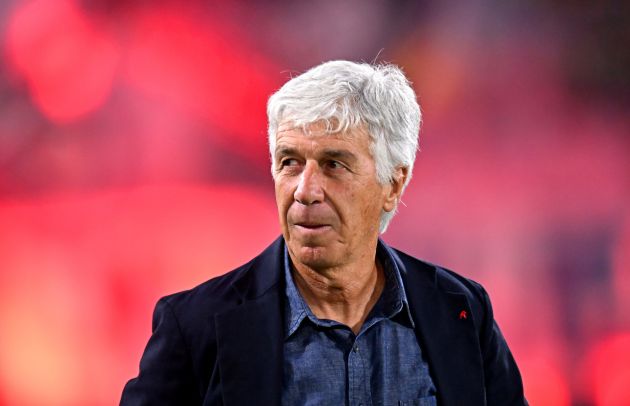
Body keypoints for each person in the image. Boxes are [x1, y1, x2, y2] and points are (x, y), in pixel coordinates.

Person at [121, 60, 527, 405]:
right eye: (290, 162)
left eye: (333, 164)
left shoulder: (462, 312)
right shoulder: (195, 327)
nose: (305, 190)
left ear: (394, 184)